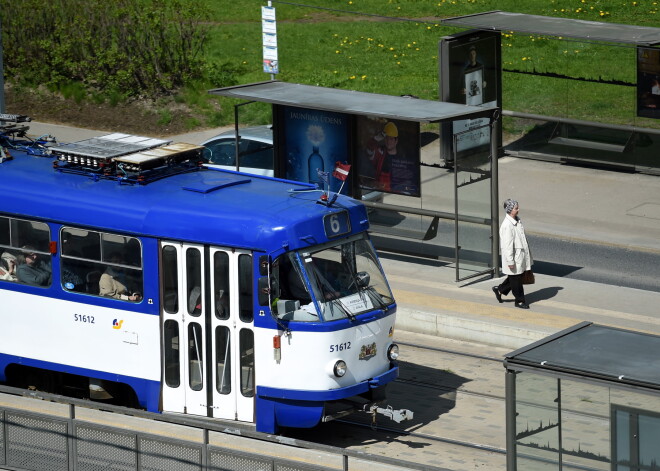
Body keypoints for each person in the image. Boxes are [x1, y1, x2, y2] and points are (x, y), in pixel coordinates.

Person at [492, 199, 533, 309]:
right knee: (516, 281)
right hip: (514, 257)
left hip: (519, 256)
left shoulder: (517, 221)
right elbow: (507, 245)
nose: (518, 209)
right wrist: (510, 261)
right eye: (516, 208)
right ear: (510, 210)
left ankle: (500, 289)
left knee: (515, 277)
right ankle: (519, 300)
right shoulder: (507, 225)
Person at [364, 121, 418, 195]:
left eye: (391, 139)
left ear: (396, 141)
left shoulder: (402, 157)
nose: (388, 141)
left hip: (395, 193)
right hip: (379, 190)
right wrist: (379, 136)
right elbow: (369, 148)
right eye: (387, 138)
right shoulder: (379, 153)